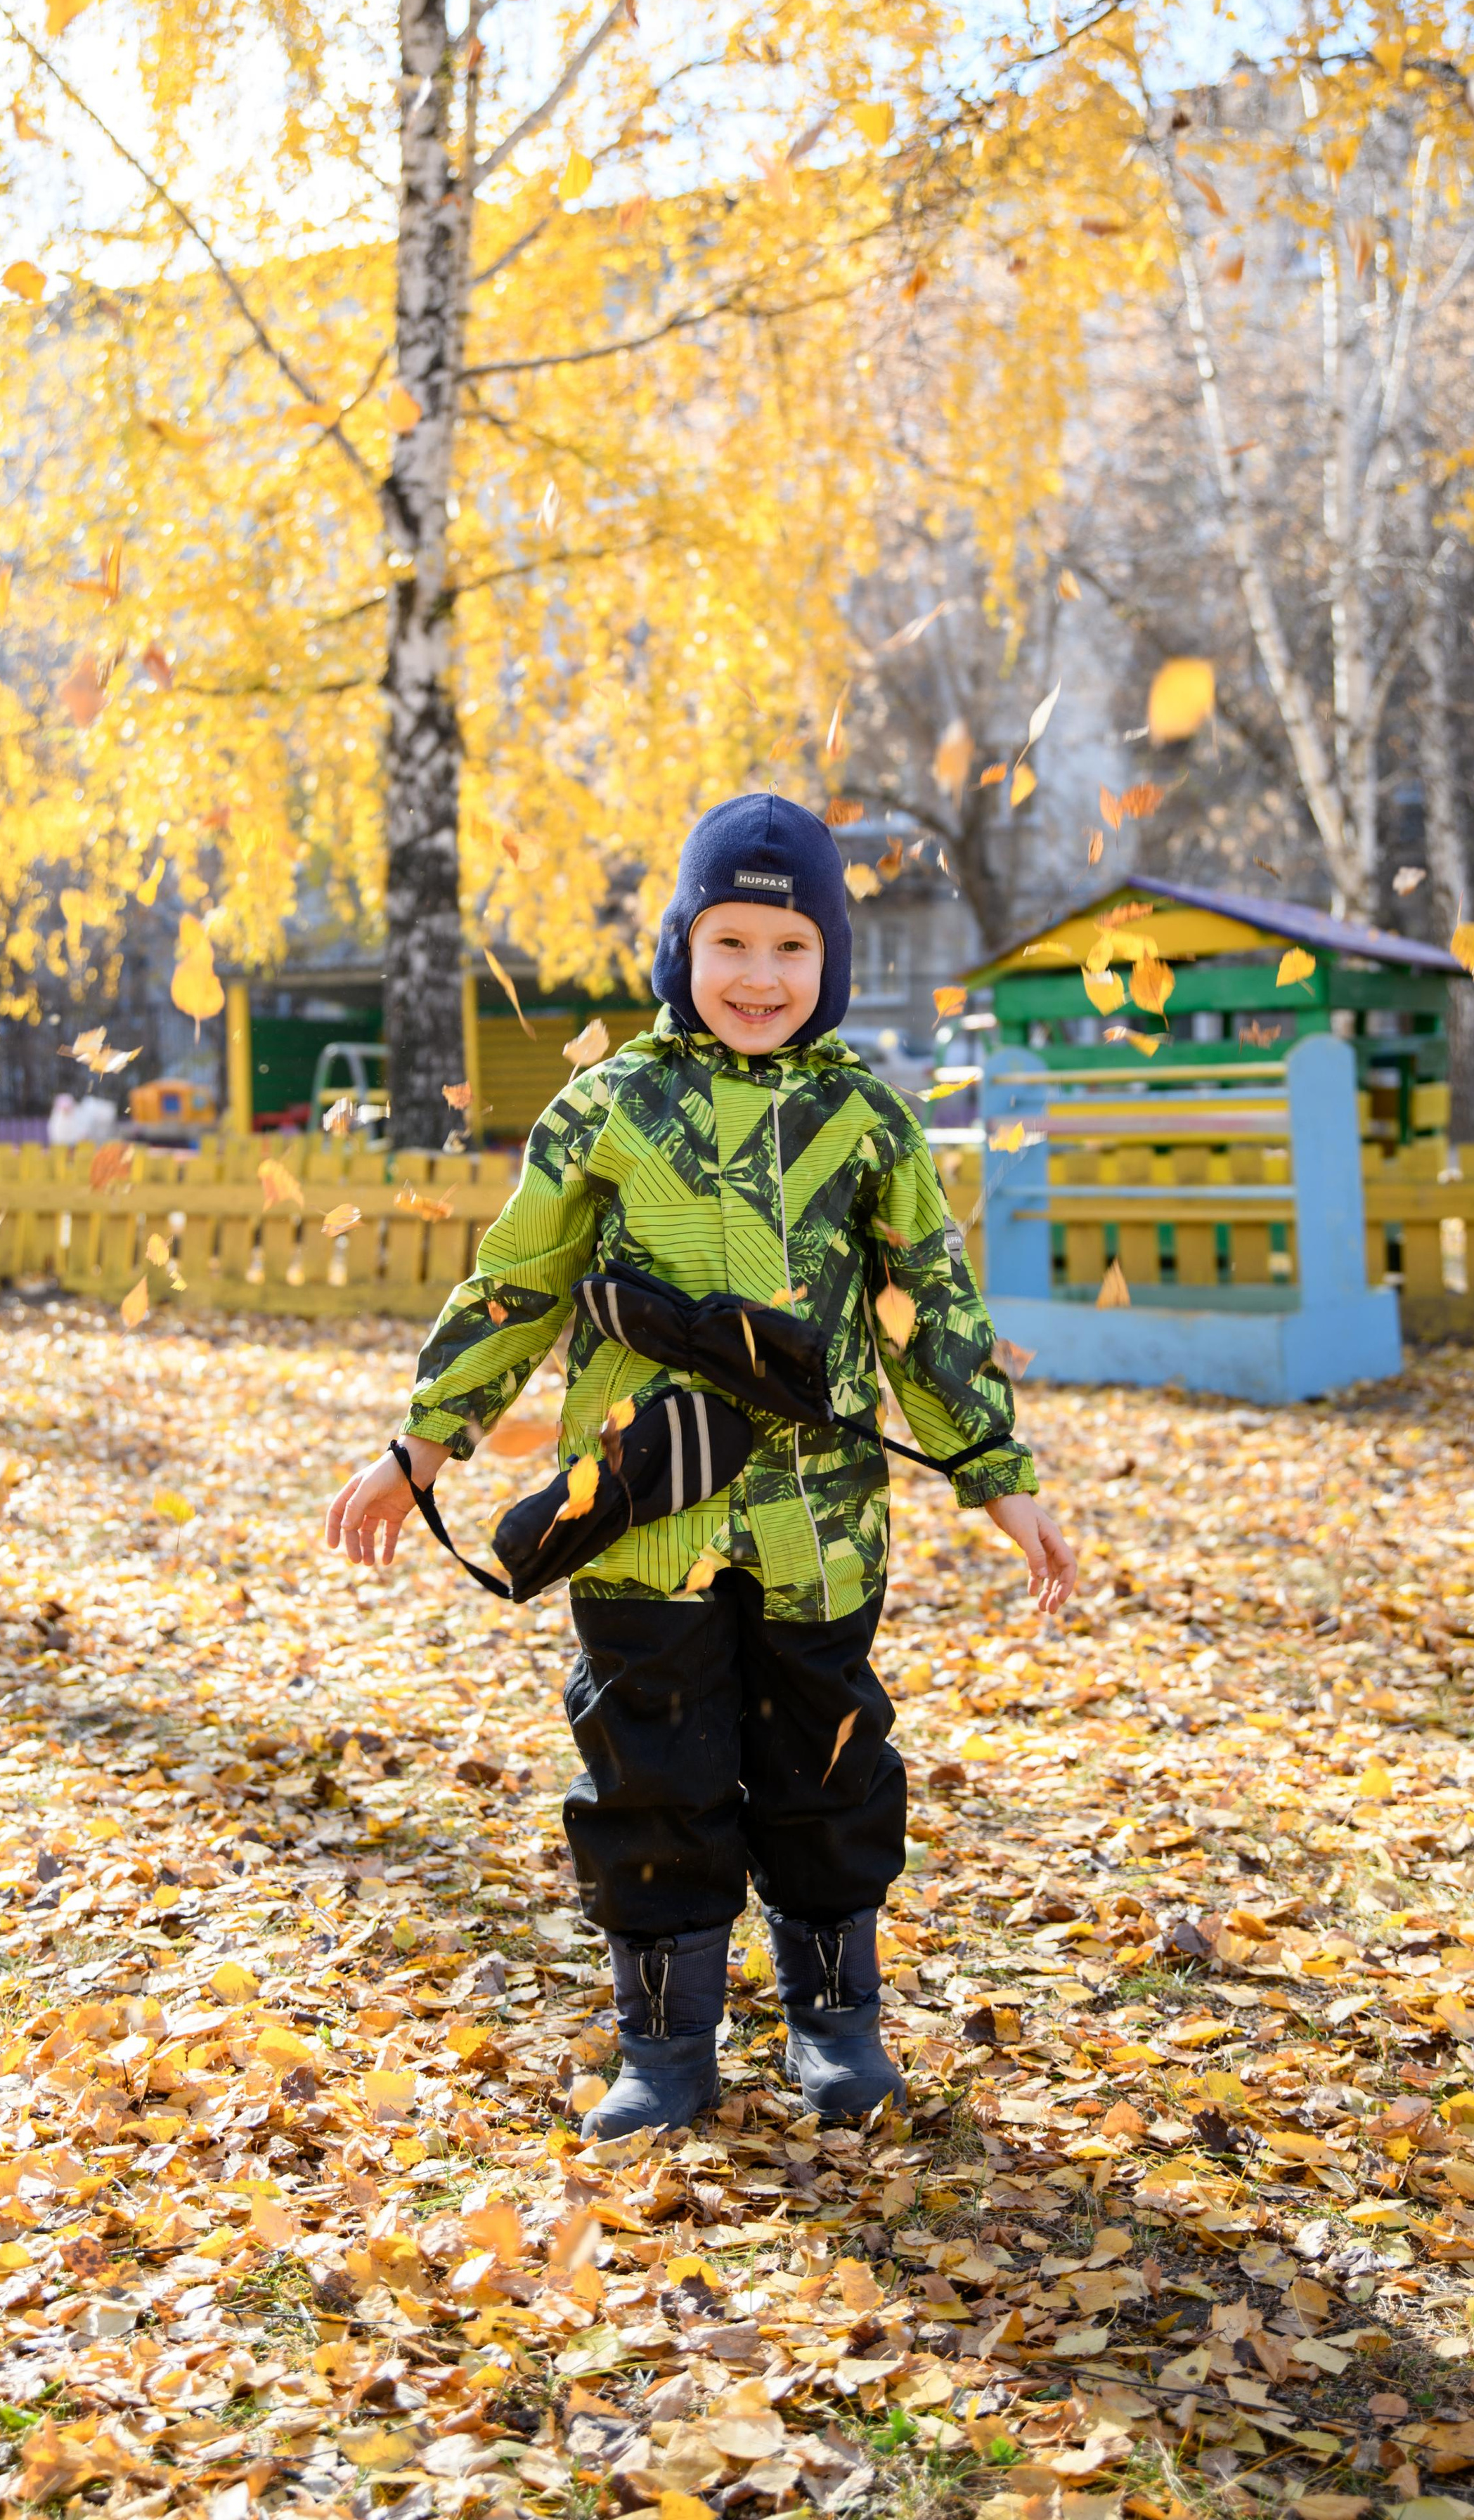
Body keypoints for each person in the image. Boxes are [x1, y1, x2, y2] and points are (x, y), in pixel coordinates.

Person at [326, 793, 1076, 2138]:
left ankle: (838, 2026)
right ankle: (665, 2048)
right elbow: (519, 1282)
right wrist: (422, 1442)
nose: (760, 977)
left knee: (828, 1761)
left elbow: (931, 1308)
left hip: (817, 1526)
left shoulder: (867, 1120)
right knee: (649, 1767)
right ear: (682, 947)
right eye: (731, 942)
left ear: (830, 963)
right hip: (641, 1520)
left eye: (793, 949)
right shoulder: (606, 1107)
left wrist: (999, 1477)